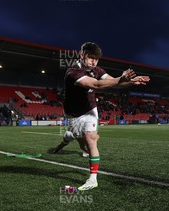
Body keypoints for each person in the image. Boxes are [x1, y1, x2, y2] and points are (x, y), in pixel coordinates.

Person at [63, 42, 149, 191]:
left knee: (90, 138)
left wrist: (132, 81)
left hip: (90, 109)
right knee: (81, 140)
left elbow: (112, 82)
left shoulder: (97, 70)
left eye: (96, 59)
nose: (93, 62)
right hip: (73, 114)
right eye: (90, 58)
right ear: (81, 55)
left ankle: (92, 179)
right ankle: (76, 138)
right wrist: (122, 79)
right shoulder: (73, 72)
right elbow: (96, 85)